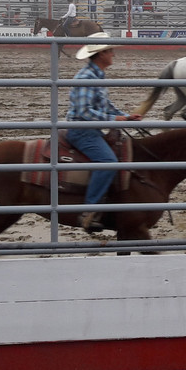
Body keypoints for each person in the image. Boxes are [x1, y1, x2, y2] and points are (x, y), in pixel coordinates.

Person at [65, 33, 141, 233]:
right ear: (101, 55)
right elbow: (84, 112)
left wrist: (126, 116)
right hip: (82, 131)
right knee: (108, 163)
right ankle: (90, 211)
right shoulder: (85, 77)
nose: (113, 54)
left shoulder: (96, 75)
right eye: (110, 51)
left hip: (90, 129)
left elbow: (106, 106)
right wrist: (115, 120)